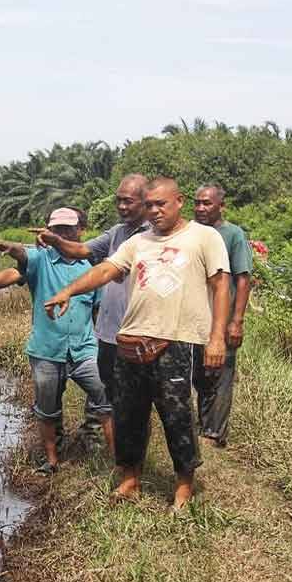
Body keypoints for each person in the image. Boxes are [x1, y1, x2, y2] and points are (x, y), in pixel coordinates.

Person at [42, 177, 230, 508]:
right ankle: (130, 479)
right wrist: (68, 291)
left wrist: (217, 338)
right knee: (129, 413)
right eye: (150, 206)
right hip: (132, 340)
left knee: (177, 415)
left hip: (178, 341)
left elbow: (221, 285)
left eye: (162, 204)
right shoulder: (138, 241)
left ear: (179, 201)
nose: (155, 211)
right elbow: (105, 270)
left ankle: (184, 485)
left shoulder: (204, 237)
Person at [0, 207, 114, 475]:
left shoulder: (92, 267)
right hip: (46, 350)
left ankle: (116, 462)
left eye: (68, 228)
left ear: (81, 231)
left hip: (85, 349)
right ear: (47, 231)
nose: (62, 233)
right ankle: (52, 460)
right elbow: (18, 265)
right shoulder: (41, 259)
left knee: (106, 398)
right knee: (47, 409)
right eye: (57, 229)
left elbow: (99, 310)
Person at [32, 174, 150, 407]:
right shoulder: (117, 232)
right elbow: (81, 250)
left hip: (140, 333)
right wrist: (55, 241)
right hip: (109, 336)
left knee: (135, 403)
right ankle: (106, 442)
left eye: (128, 201)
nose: (121, 206)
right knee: (110, 401)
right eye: (119, 200)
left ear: (145, 201)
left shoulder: (156, 235)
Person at [192, 184, 253, 446]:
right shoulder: (191, 233)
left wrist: (236, 321)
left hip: (222, 319)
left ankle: (214, 433)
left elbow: (243, 279)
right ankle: (204, 426)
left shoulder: (232, 235)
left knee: (220, 374)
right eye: (197, 203)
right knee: (200, 376)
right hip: (194, 319)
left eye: (207, 203)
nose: (201, 208)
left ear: (221, 206)